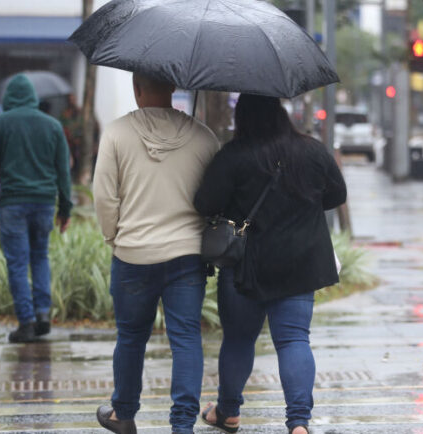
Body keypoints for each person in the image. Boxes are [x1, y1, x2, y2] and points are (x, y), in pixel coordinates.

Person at [193, 94, 347, 434]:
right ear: (281, 114)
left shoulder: (233, 156)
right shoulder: (312, 151)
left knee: (238, 339)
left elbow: (205, 203)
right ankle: (299, 423)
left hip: (245, 267)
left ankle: (228, 411)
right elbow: (336, 195)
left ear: (243, 118)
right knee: (294, 340)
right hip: (300, 264)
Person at [92, 73, 220, 434]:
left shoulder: (117, 133)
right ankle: (182, 424)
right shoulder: (203, 137)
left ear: (137, 88)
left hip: (133, 254)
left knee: (131, 337)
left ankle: (124, 413)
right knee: (185, 339)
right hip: (186, 255)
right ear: (174, 87)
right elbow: (214, 197)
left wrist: (113, 236)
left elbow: (104, 195)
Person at [0, 73, 72, 343]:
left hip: (12, 204)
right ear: (34, 97)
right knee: (40, 257)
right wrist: (65, 208)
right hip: (44, 203)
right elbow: (63, 172)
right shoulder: (53, 125)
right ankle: (43, 314)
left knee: (18, 263)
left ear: (8, 98)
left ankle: (27, 322)